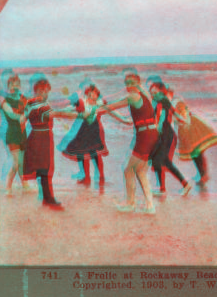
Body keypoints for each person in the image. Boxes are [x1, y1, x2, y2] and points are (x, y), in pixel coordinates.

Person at [96, 68, 159, 214]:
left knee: (128, 169)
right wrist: (106, 108)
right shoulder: (145, 94)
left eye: (132, 82)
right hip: (151, 134)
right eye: (127, 83)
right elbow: (127, 120)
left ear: (138, 81)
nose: (129, 85)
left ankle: (131, 204)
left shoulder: (133, 96)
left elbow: (112, 106)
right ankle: (150, 206)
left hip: (144, 136)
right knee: (140, 170)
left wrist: (100, 105)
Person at [61, 84, 131, 186]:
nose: (91, 95)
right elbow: (70, 109)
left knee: (95, 154)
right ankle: (86, 178)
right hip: (83, 131)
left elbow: (111, 111)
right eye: (89, 93)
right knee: (82, 154)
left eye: (94, 93)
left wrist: (124, 119)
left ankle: (101, 176)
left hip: (94, 131)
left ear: (97, 94)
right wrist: (57, 112)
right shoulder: (83, 103)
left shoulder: (100, 104)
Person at [23, 78, 77, 208]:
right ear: (36, 91)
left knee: (42, 169)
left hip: (34, 137)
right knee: (46, 169)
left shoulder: (30, 104)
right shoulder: (42, 106)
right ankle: (49, 199)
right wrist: (77, 115)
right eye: (42, 91)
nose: (44, 94)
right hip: (43, 139)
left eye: (46, 91)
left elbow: (21, 120)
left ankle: (46, 198)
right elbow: (56, 113)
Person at [148, 80, 192, 196]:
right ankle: (164, 189)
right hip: (163, 134)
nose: (153, 95)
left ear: (161, 92)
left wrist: (158, 126)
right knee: (160, 161)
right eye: (151, 93)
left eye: (155, 92)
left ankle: (182, 185)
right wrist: (182, 119)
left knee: (162, 161)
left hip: (165, 134)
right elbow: (174, 112)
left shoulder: (162, 101)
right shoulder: (158, 101)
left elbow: (162, 115)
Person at [173, 98, 217, 187]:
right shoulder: (173, 103)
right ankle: (202, 174)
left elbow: (184, 117)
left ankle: (204, 175)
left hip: (191, 127)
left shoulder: (177, 102)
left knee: (197, 152)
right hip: (187, 127)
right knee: (195, 153)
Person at [1, 74, 30, 195]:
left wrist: (27, 115)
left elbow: (30, 110)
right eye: (12, 84)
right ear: (8, 86)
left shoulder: (24, 98)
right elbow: (11, 114)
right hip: (12, 133)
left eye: (17, 84)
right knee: (16, 163)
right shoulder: (4, 100)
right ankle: (8, 186)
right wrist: (21, 117)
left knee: (22, 163)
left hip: (23, 133)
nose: (14, 86)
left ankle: (24, 185)